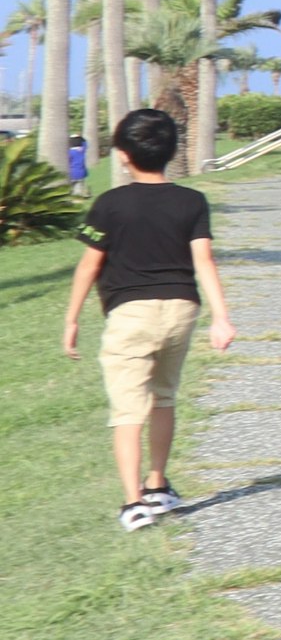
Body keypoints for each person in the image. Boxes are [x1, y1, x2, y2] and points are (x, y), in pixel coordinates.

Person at [61, 107, 232, 529]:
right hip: (181, 310)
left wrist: (72, 319)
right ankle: (157, 484)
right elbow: (204, 261)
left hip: (130, 315)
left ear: (123, 155)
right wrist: (221, 317)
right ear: (172, 151)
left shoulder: (110, 205)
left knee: (127, 410)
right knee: (165, 397)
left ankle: (133, 502)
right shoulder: (192, 201)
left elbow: (89, 266)